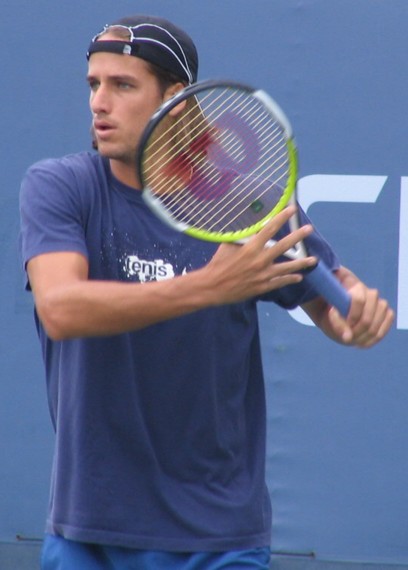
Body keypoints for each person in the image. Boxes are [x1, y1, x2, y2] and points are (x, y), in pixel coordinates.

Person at [19, 14, 394, 570]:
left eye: (123, 86)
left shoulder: (244, 203)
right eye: (94, 84)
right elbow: (60, 308)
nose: (100, 103)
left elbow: (333, 300)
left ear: (177, 100)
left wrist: (357, 316)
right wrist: (209, 286)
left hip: (221, 539)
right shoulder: (59, 187)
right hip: (88, 533)